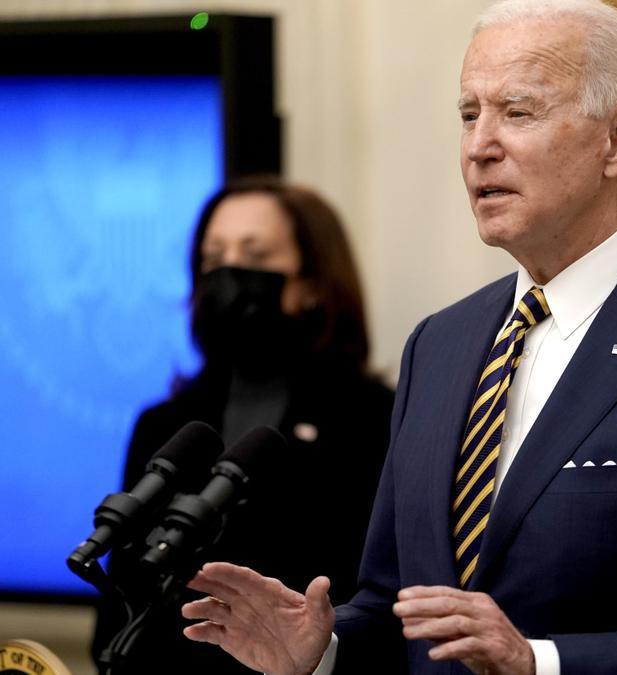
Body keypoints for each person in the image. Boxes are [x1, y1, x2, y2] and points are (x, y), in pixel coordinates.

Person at [180, 1, 617, 673]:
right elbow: (394, 605)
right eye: (469, 114)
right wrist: (327, 648)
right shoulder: (439, 344)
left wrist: (539, 662)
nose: (479, 146)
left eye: (517, 113)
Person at [92, 175, 394, 674]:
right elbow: (120, 601)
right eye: (213, 260)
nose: (229, 275)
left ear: (315, 282)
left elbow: (380, 597)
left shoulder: (373, 418)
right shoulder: (163, 424)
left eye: (254, 258)